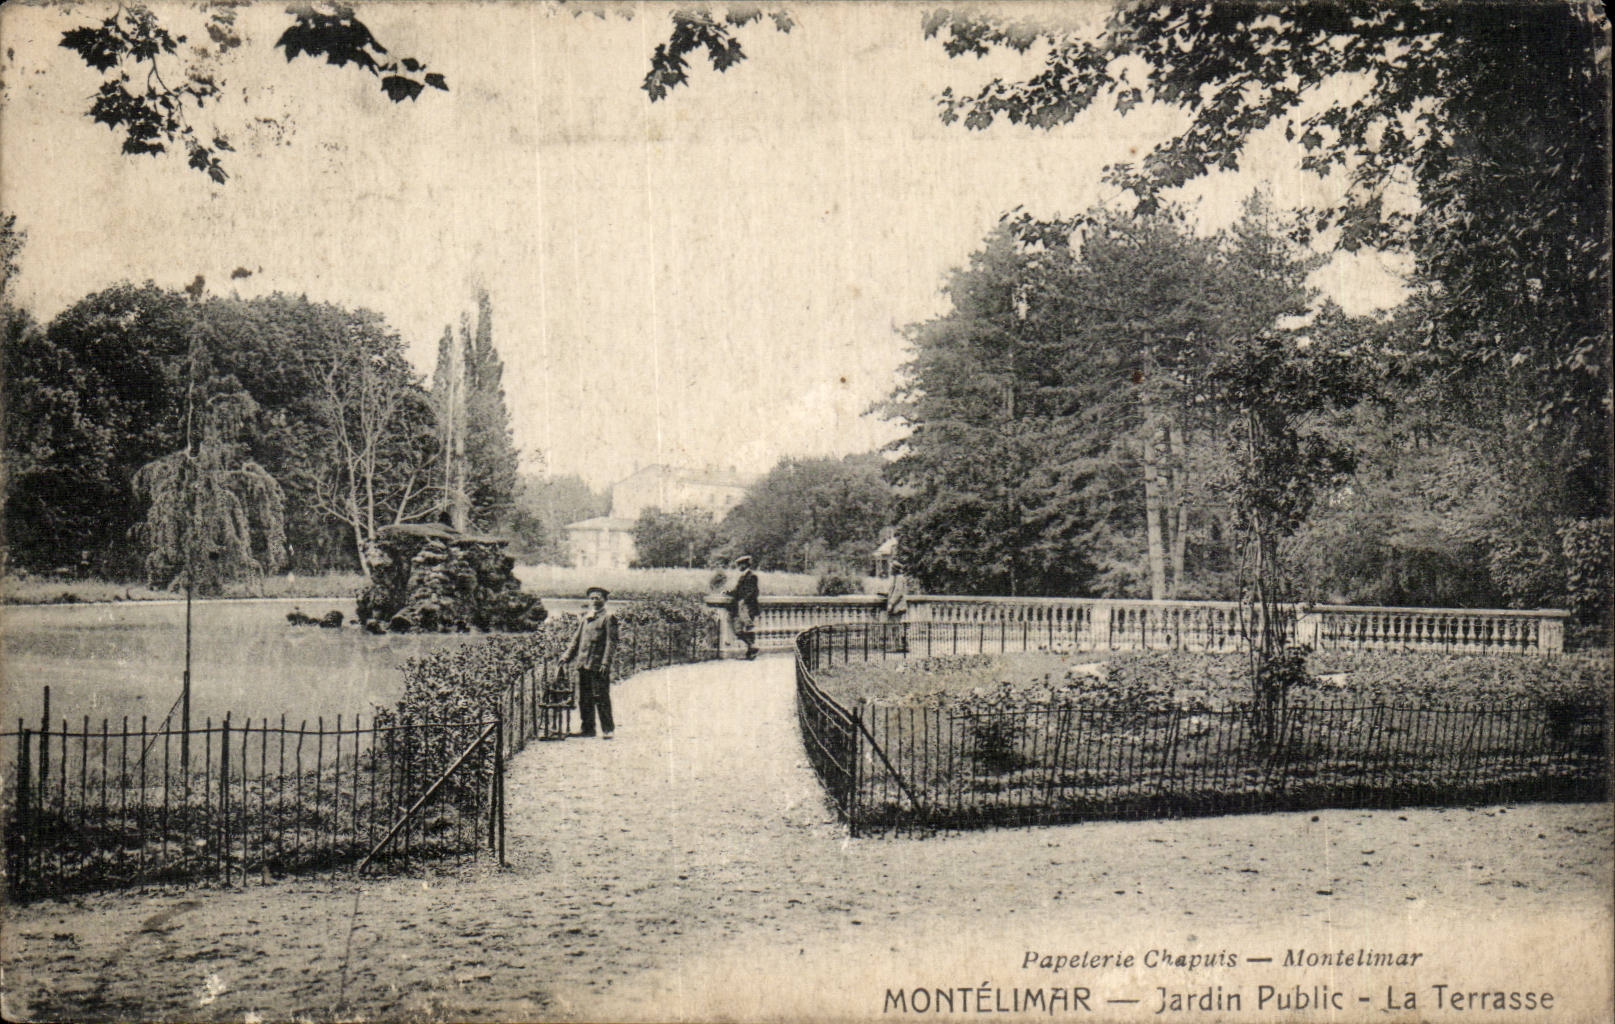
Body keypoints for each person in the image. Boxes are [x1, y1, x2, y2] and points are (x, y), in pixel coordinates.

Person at [563, 586, 618, 739]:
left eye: (597, 598)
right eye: (592, 598)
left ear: (604, 600)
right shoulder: (586, 618)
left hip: (597, 665)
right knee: (584, 698)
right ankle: (588, 729)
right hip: (583, 664)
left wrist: (605, 663)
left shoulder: (608, 618)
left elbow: (611, 643)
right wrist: (566, 657)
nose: (594, 601)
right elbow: (576, 640)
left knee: (601, 697)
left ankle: (608, 729)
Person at [726, 554, 761, 659]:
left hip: (749, 607)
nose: (739, 567)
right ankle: (752, 647)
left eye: (740, 565)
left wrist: (744, 600)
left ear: (745, 565)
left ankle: (751, 653)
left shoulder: (752, 576)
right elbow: (737, 591)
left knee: (748, 630)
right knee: (738, 630)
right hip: (740, 607)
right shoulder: (742, 577)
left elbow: (753, 592)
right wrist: (728, 592)